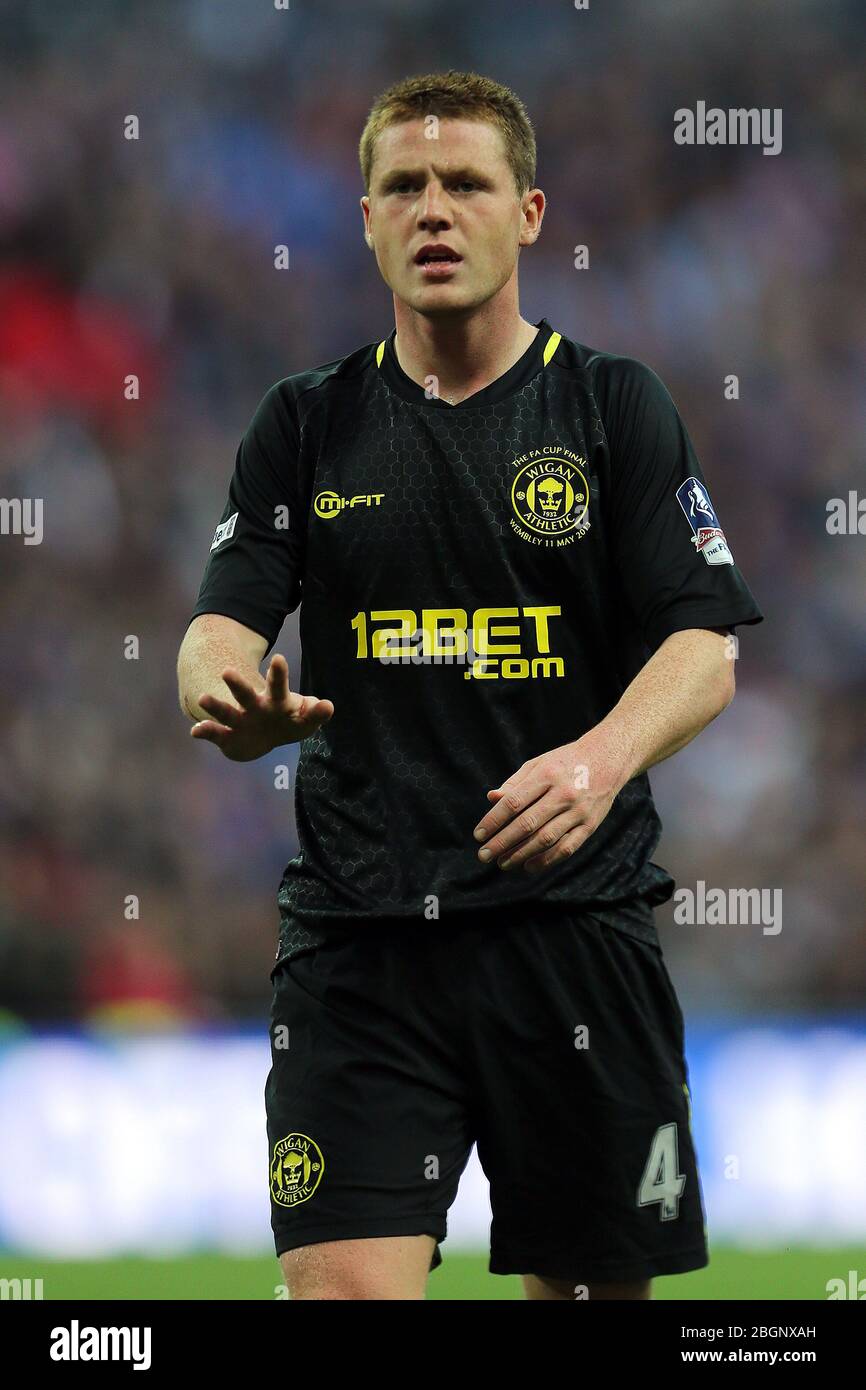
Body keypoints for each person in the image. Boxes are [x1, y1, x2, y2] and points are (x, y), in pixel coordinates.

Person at [177, 70, 763, 1301]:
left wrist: (597, 759)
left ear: (530, 211)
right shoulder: (305, 422)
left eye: (464, 183)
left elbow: (703, 648)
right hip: (359, 942)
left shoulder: (610, 407)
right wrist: (232, 699)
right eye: (403, 186)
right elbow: (219, 625)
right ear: (366, 218)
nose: (433, 209)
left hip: (570, 937)